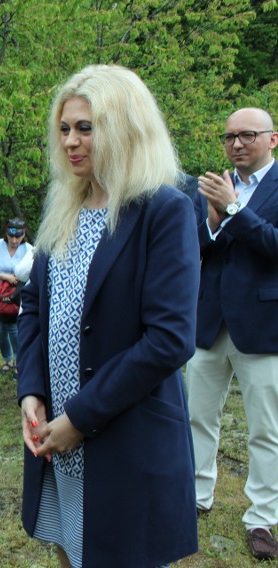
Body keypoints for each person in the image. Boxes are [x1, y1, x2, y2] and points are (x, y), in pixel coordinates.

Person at [17, 65, 200, 568]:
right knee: (70, 550)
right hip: (57, 435)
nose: (71, 141)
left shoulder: (163, 209)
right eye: (64, 128)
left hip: (122, 435)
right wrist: (32, 389)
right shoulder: (64, 206)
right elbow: (34, 304)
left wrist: (81, 417)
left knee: (118, 554)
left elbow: (169, 339)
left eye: (86, 127)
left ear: (123, 127)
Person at [188, 107, 278, 561]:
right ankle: (196, 498)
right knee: (197, 415)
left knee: (267, 427)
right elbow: (194, 249)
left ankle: (261, 516)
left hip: (264, 326)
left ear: (272, 139)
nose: (236, 143)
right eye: (228, 137)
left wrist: (236, 209)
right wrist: (211, 220)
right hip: (209, 321)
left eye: (246, 135)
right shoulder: (209, 186)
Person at [0, 218, 33, 374]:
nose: (14, 240)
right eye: (11, 236)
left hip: (17, 295)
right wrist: (7, 277)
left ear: (23, 234)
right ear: (6, 233)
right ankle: (7, 360)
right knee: (0, 329)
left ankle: (20, 362)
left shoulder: (29, 249)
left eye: (18, 236)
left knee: (14, 328)